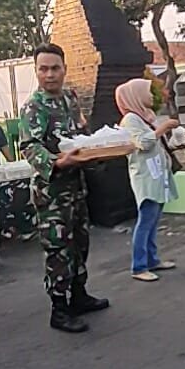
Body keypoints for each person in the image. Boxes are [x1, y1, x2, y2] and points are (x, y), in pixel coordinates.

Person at [19, 43, 109, 333]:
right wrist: (57, 162)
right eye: (43, 69)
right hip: (52, 193)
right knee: (58, 250)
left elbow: (80, 132)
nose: (49, 75)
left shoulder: (70, 99)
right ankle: (59, 309)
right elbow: (29, 146)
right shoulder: (34, 107)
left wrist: (95, 147)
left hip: (76, 187)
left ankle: (79, 295)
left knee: (80, 243)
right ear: (36, 71)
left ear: (64, 69)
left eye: (55, 68)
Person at [116, 78, 179, 282]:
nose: (152, 96)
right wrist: (163, 128)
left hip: (157, 175)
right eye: (147, 92)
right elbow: (143, 143)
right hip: (146, 177)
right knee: (145, 221)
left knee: (153, 221)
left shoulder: (146, 117)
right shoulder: (130, 120)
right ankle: (139, 266)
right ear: (136, 95)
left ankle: (152, 260)